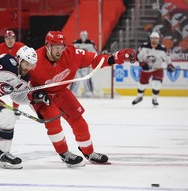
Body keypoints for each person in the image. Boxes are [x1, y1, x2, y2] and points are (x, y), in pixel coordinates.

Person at [28, 31, 136, 168]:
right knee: (53, 120)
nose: (60, 51)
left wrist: (116, 57)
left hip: (61, 91)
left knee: (79, 122)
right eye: (56, 47)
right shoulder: (34, 59)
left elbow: (95, 59)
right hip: (42, 96)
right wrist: (33, 95)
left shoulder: (72, 54)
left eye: (62, 47)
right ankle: (64, 153)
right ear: (47, 46)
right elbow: (21, 80)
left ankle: (89, 152)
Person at [132, 31, 175, 106]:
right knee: (141, 85)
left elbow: (167, 58)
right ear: (150, 39)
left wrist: (170, 65)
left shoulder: (163, 48)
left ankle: (154, 99)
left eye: (156, 38)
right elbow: (137, 56)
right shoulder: (144, 46)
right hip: (146, 69)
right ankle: (139, 97)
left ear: (158, 40)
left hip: (157, 69)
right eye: (152, 38)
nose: (154, 40)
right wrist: (142, 63)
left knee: (156, 84)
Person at [0, 30, 25, 117]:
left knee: (18, 88)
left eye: (12, 38)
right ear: (5, 39)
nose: (10, 40)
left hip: (17, 72)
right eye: (8, 38)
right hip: (3, 73)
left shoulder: (21, 47)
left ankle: (16, 107)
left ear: (15, 39)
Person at [70, 30, 97, 97]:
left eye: (85, 35)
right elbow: (71, 52)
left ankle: (88, 91)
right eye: (82, 35)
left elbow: (94, 52)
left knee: (87, 79)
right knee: (76, 79)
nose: (83, 36)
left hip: (86, 65)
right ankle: (73, 91)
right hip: (77, 65)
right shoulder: (75, 43)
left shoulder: (90, 43)